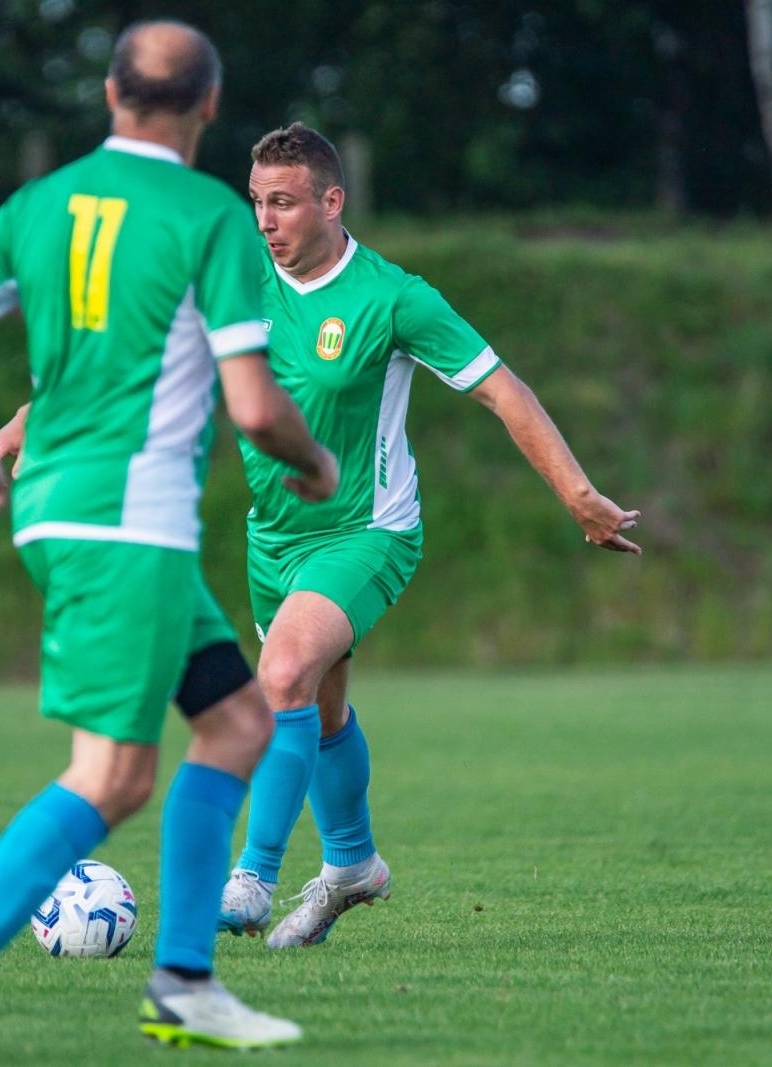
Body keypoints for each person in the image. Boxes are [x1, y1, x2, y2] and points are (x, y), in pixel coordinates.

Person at [0, 21, 337, 1061]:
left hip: (87, 517)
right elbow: (256, 407)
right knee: (114, 775)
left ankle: (183, 983)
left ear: (108, 93)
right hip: (124, 525)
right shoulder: (207, 215)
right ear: (209, 105)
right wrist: (314, 464)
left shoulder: (38, 207)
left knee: (233, 722)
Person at [214, 123, 643, 948]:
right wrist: (24, 427)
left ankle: (252, 875)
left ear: (332, 201)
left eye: (284, 203)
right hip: (272, 542)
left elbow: (502, 391)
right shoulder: (234, 285)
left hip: (368, 531)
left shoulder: (394, 297)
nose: (265, 221)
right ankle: (352, 866)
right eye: (257, 202)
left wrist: (578, 493)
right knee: (320, 706)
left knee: (284, 670)